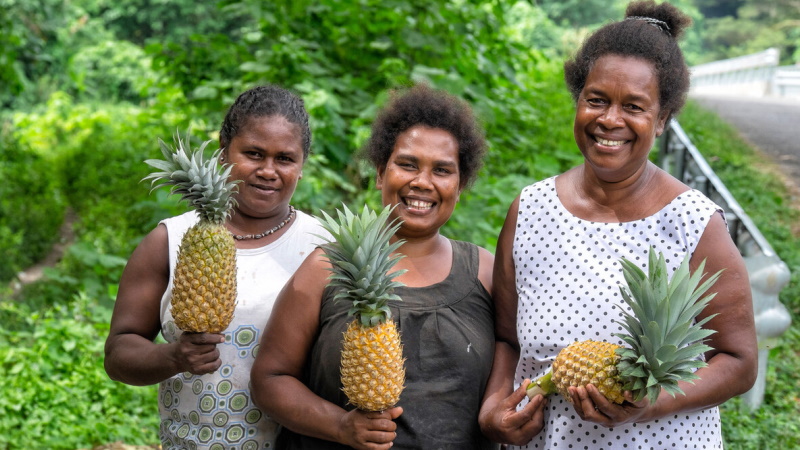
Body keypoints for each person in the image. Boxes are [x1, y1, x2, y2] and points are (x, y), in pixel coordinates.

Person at [478, 1, 758, 449]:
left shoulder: (694, 222)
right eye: (596, 100)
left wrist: (655, 402)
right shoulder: (530, 209)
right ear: (578, 101)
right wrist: (494, 406)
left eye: (634, 106)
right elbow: (507, 338)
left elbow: (740, 360)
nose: (610, 120)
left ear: (662, 119)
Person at [250, 84, 497, 449]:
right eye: (407, 164)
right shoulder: (327, 267)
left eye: (442, 170)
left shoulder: (485, 272)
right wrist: (340, 426)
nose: (422, 182)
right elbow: (269, 380)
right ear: (381, 172)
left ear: (460, 186)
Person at [104, 85, 332, 449]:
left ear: (302, 166)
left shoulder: (324, 245)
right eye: (254, 154)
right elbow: (118, 354)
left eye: (285, 159)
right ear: (224, 153)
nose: (268, 171)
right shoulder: (171, 239)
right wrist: (174, 355)